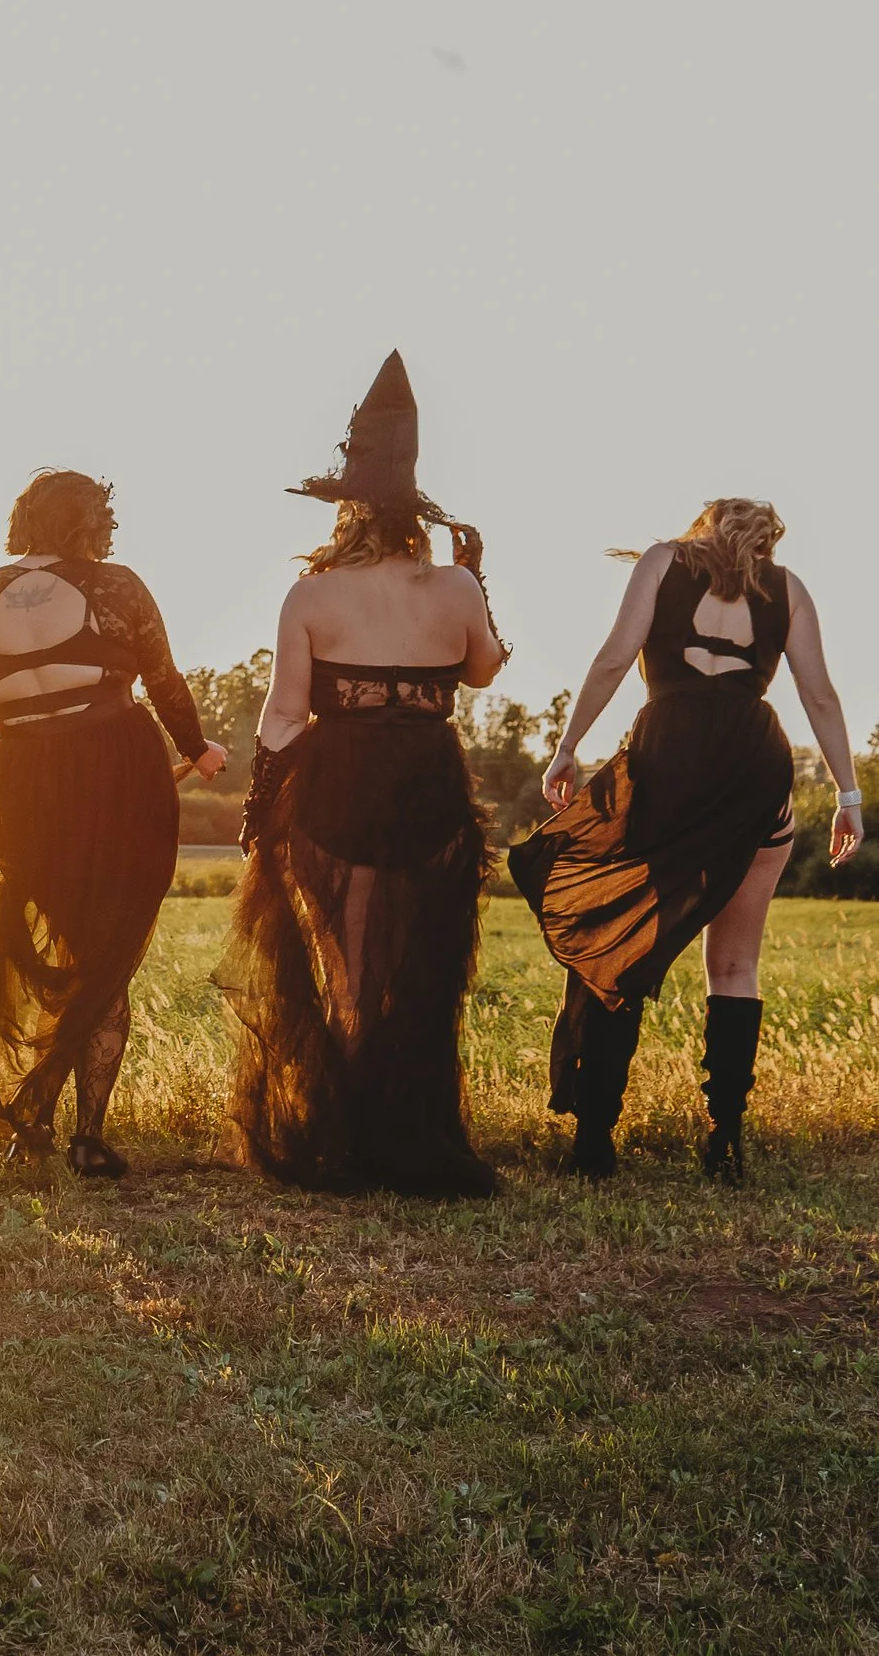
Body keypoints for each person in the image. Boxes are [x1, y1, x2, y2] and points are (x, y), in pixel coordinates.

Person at [511, 499, 861, 1182]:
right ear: (765, 543)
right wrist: (848, 795)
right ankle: (725, 1141)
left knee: (622, 940)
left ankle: (594, 1140)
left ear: (703, 528)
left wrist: (567, 745)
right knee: (735, 965)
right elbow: (818, 694)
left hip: (667, 763)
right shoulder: (785, 588)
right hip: (754, 771)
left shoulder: (662, 562)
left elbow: (615, 658)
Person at [226, 352, 507, 1198]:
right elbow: (484, 669)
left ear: (347, 506)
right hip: (427, 782)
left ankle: (346, 1136)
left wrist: (256, 808)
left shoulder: (311, 595)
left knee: (345, 962)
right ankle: (404, 1131)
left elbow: (283, 716)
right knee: (418, 960)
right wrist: (478, 575)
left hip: (339, 783)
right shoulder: (455, 584)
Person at [0, 470, 225, 1178]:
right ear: (92, 524)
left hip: (25, 779)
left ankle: (30, 1119)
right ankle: (87, 1132)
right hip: (110, 773)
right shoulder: (117, 586)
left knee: (53, 930)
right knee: (106, 949)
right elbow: (163, 680)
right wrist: (198, 749)